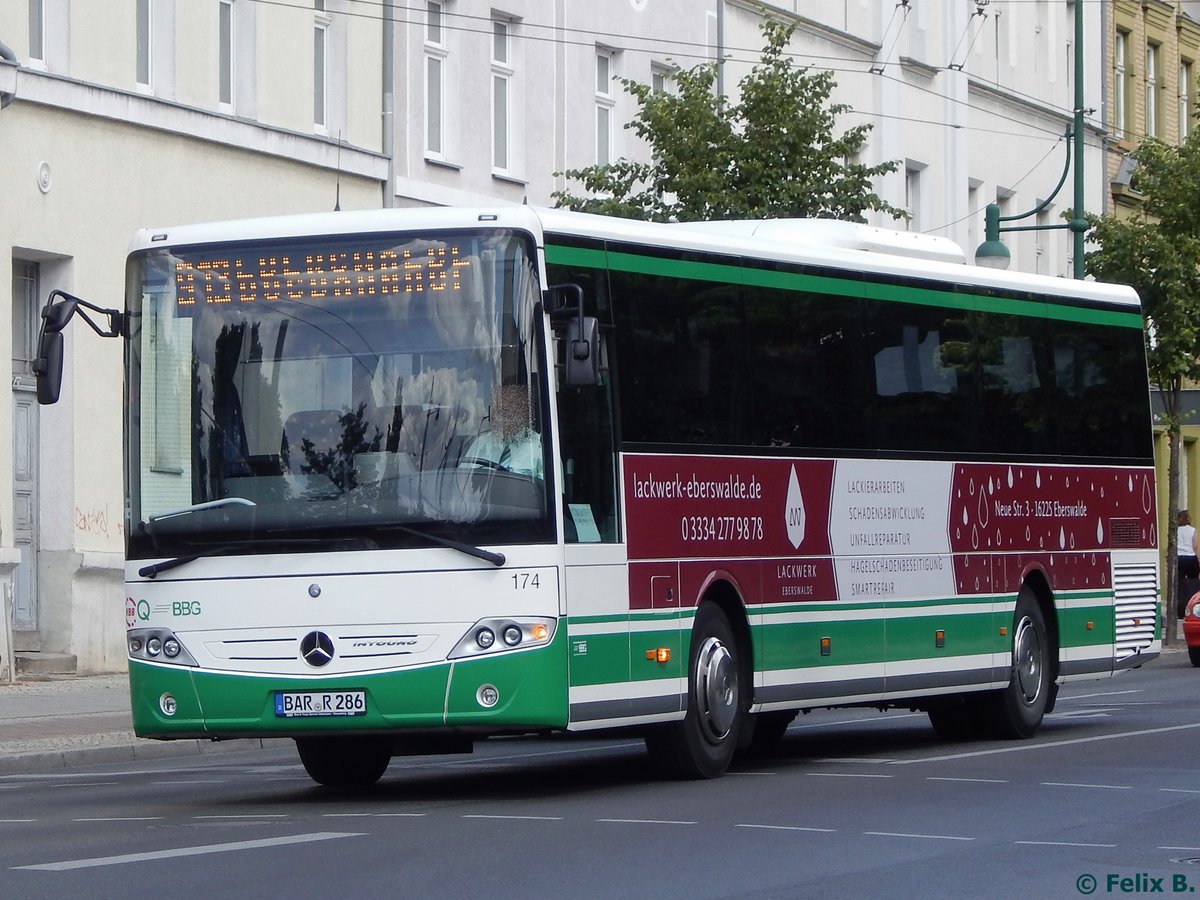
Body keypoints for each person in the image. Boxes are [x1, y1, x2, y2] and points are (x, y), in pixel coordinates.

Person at [463, 384, 543, 479]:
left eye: (508, 409)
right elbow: (461, 479)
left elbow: (548, 485)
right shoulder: (480, 443)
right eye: (498, 410)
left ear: (523, 411)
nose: (501, 416)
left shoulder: (539, 447)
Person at [1177, 510, 1199, 618]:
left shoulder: (1176, 530)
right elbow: (1195, 547)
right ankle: (1191, 609)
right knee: (1193, 585)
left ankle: (1179, 611)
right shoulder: (1193, 530)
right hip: (1191, 559)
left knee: (1180, 585)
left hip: (1179, 559)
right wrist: (1198, 559)